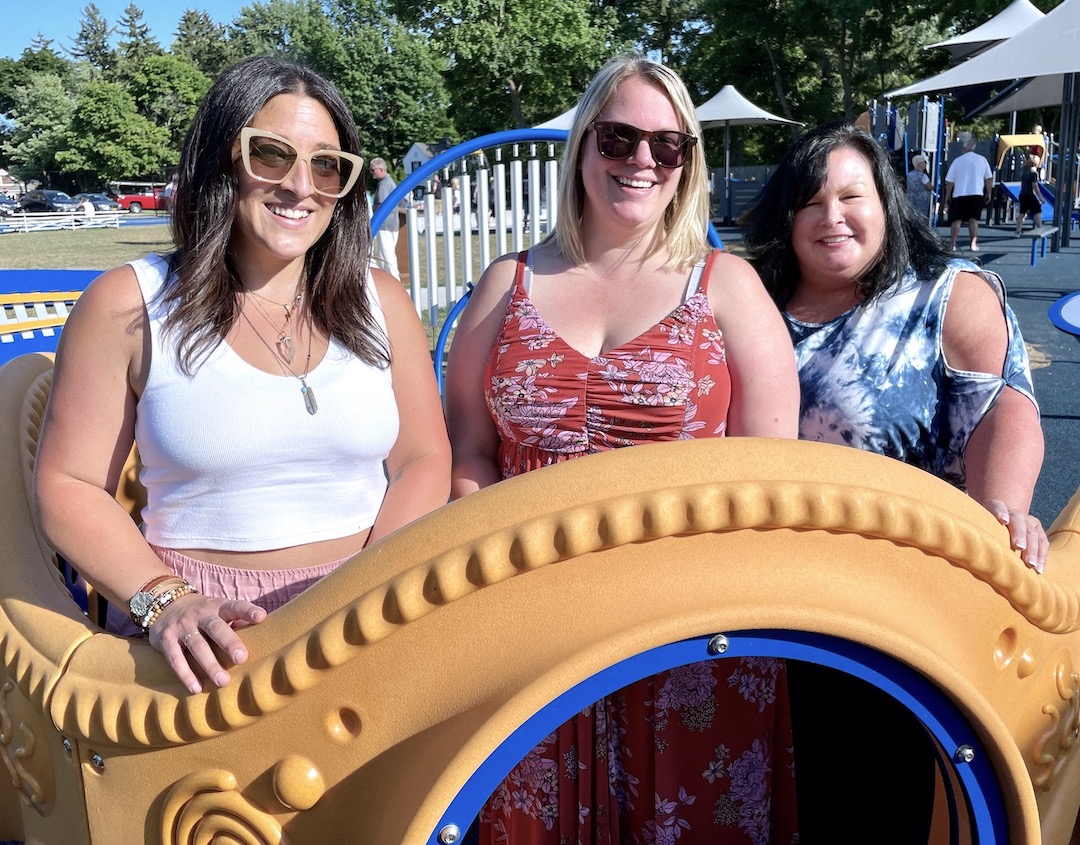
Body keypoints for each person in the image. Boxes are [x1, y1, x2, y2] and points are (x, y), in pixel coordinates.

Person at [447, 56, 801, 844]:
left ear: (686, 165)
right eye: (618, 138)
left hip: (688, 633)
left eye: (667, 145)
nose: (642, 160)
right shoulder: (507, 283)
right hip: (531, 624)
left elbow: (771, 475)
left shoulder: (727, 286)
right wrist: (488, 576)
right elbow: (469, 449)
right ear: (582, 146)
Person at [32, 56, 451, 695]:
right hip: (202, 637)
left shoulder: (381, 300)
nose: (301, 186)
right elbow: (70, 484)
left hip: (368, 615)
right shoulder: (129, 305)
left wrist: (373, 587)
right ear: (220, 160)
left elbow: (424, 457)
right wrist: (163, 602)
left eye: (327, 165)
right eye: (271, 155)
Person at [741, 121, 1046, 840]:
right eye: (810, 202)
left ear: (888, 204)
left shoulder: (946, 292)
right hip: (763, 598)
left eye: (853, 196)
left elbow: (1003, 407)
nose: (832, 216)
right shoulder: (753, 301)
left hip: (895, 606)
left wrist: (1000, 509)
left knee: (871, 798)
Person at [943, 134, 993, 252]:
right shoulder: (982, 160)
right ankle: (973, 243)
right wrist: (989, 192)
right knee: (973, 220)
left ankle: (953, 244)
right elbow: (988, 178)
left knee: (956, 220)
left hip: (959, 193)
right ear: (974, 148)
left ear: (964, 148)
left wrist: (947, 197)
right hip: (976, 192)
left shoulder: (957, 161)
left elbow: (949, 181)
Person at [370, 157, 401, 279]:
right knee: (388, 255)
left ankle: (394, 281)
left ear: (381, 169)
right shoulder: (389, 182)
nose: (371, 173)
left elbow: (381, 205)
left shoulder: (384, 185)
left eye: (373, 170)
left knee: (386, 257)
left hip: (385, 225)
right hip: (392, 224)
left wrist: (372, 208)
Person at [1015, 153, 1047, 235]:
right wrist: (1040, 197)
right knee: (1037, 211)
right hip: (1030, 195)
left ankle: (1018, 231)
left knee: (1022, 213)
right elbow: (1035, 186)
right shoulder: (1033, 173)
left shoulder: (1024, 171)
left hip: (1023, 194)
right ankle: (1040, 227)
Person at [906, 152, 933, 219]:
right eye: (924, 162)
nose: (925, 164)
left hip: (911, 200)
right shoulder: (923, 176)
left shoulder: (909, 175)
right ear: (919, 163)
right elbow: (929, 187)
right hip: (922, 202)